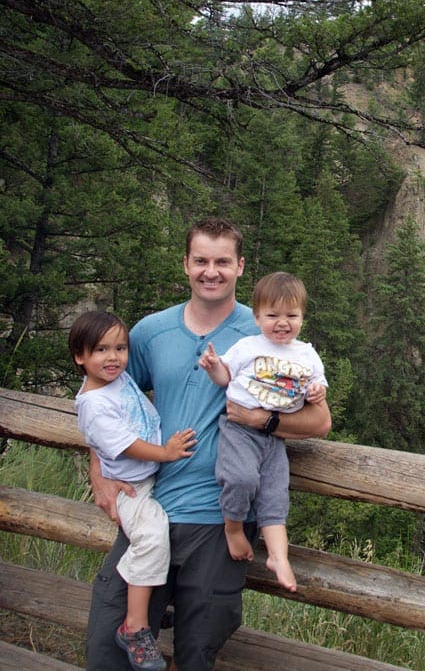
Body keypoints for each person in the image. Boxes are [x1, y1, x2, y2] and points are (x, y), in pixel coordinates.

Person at [85, 217, 332, 671]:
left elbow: (319, 421)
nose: (210, 271)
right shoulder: (149, 333)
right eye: (201, 260)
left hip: (223, 521)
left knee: (197, 652)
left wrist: (260, 418)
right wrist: (98, 474)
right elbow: (103, 401)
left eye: (222, 261)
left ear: (240, 267)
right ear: (186, 264)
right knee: (108, 645)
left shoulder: (269, 333)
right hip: (151, 508)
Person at [71, 311, 197, 671]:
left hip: (148, 478)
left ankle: (145, 605)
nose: (113, 357)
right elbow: (126, 445)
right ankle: (135, 626)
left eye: (120, 348)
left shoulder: (116, 380)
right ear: (80, 357)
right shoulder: (94, 404)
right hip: (133, 487)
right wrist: (165, 453)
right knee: (151, 537)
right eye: (100, 350)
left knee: (159, 536)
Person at [199, 271, 328, 593]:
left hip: (275, 437)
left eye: (291, 315)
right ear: (257, 317)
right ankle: (233, 528)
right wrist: (214, 365)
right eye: (272, 315)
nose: (282, 323)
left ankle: (278, 556)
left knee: (274, 496)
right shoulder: (248, 347)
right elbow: (225, 378)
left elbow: (318, 386)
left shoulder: (307, 354)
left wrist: (316, 393)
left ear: (302, 317)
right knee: (241, 478)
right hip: (240, 431)